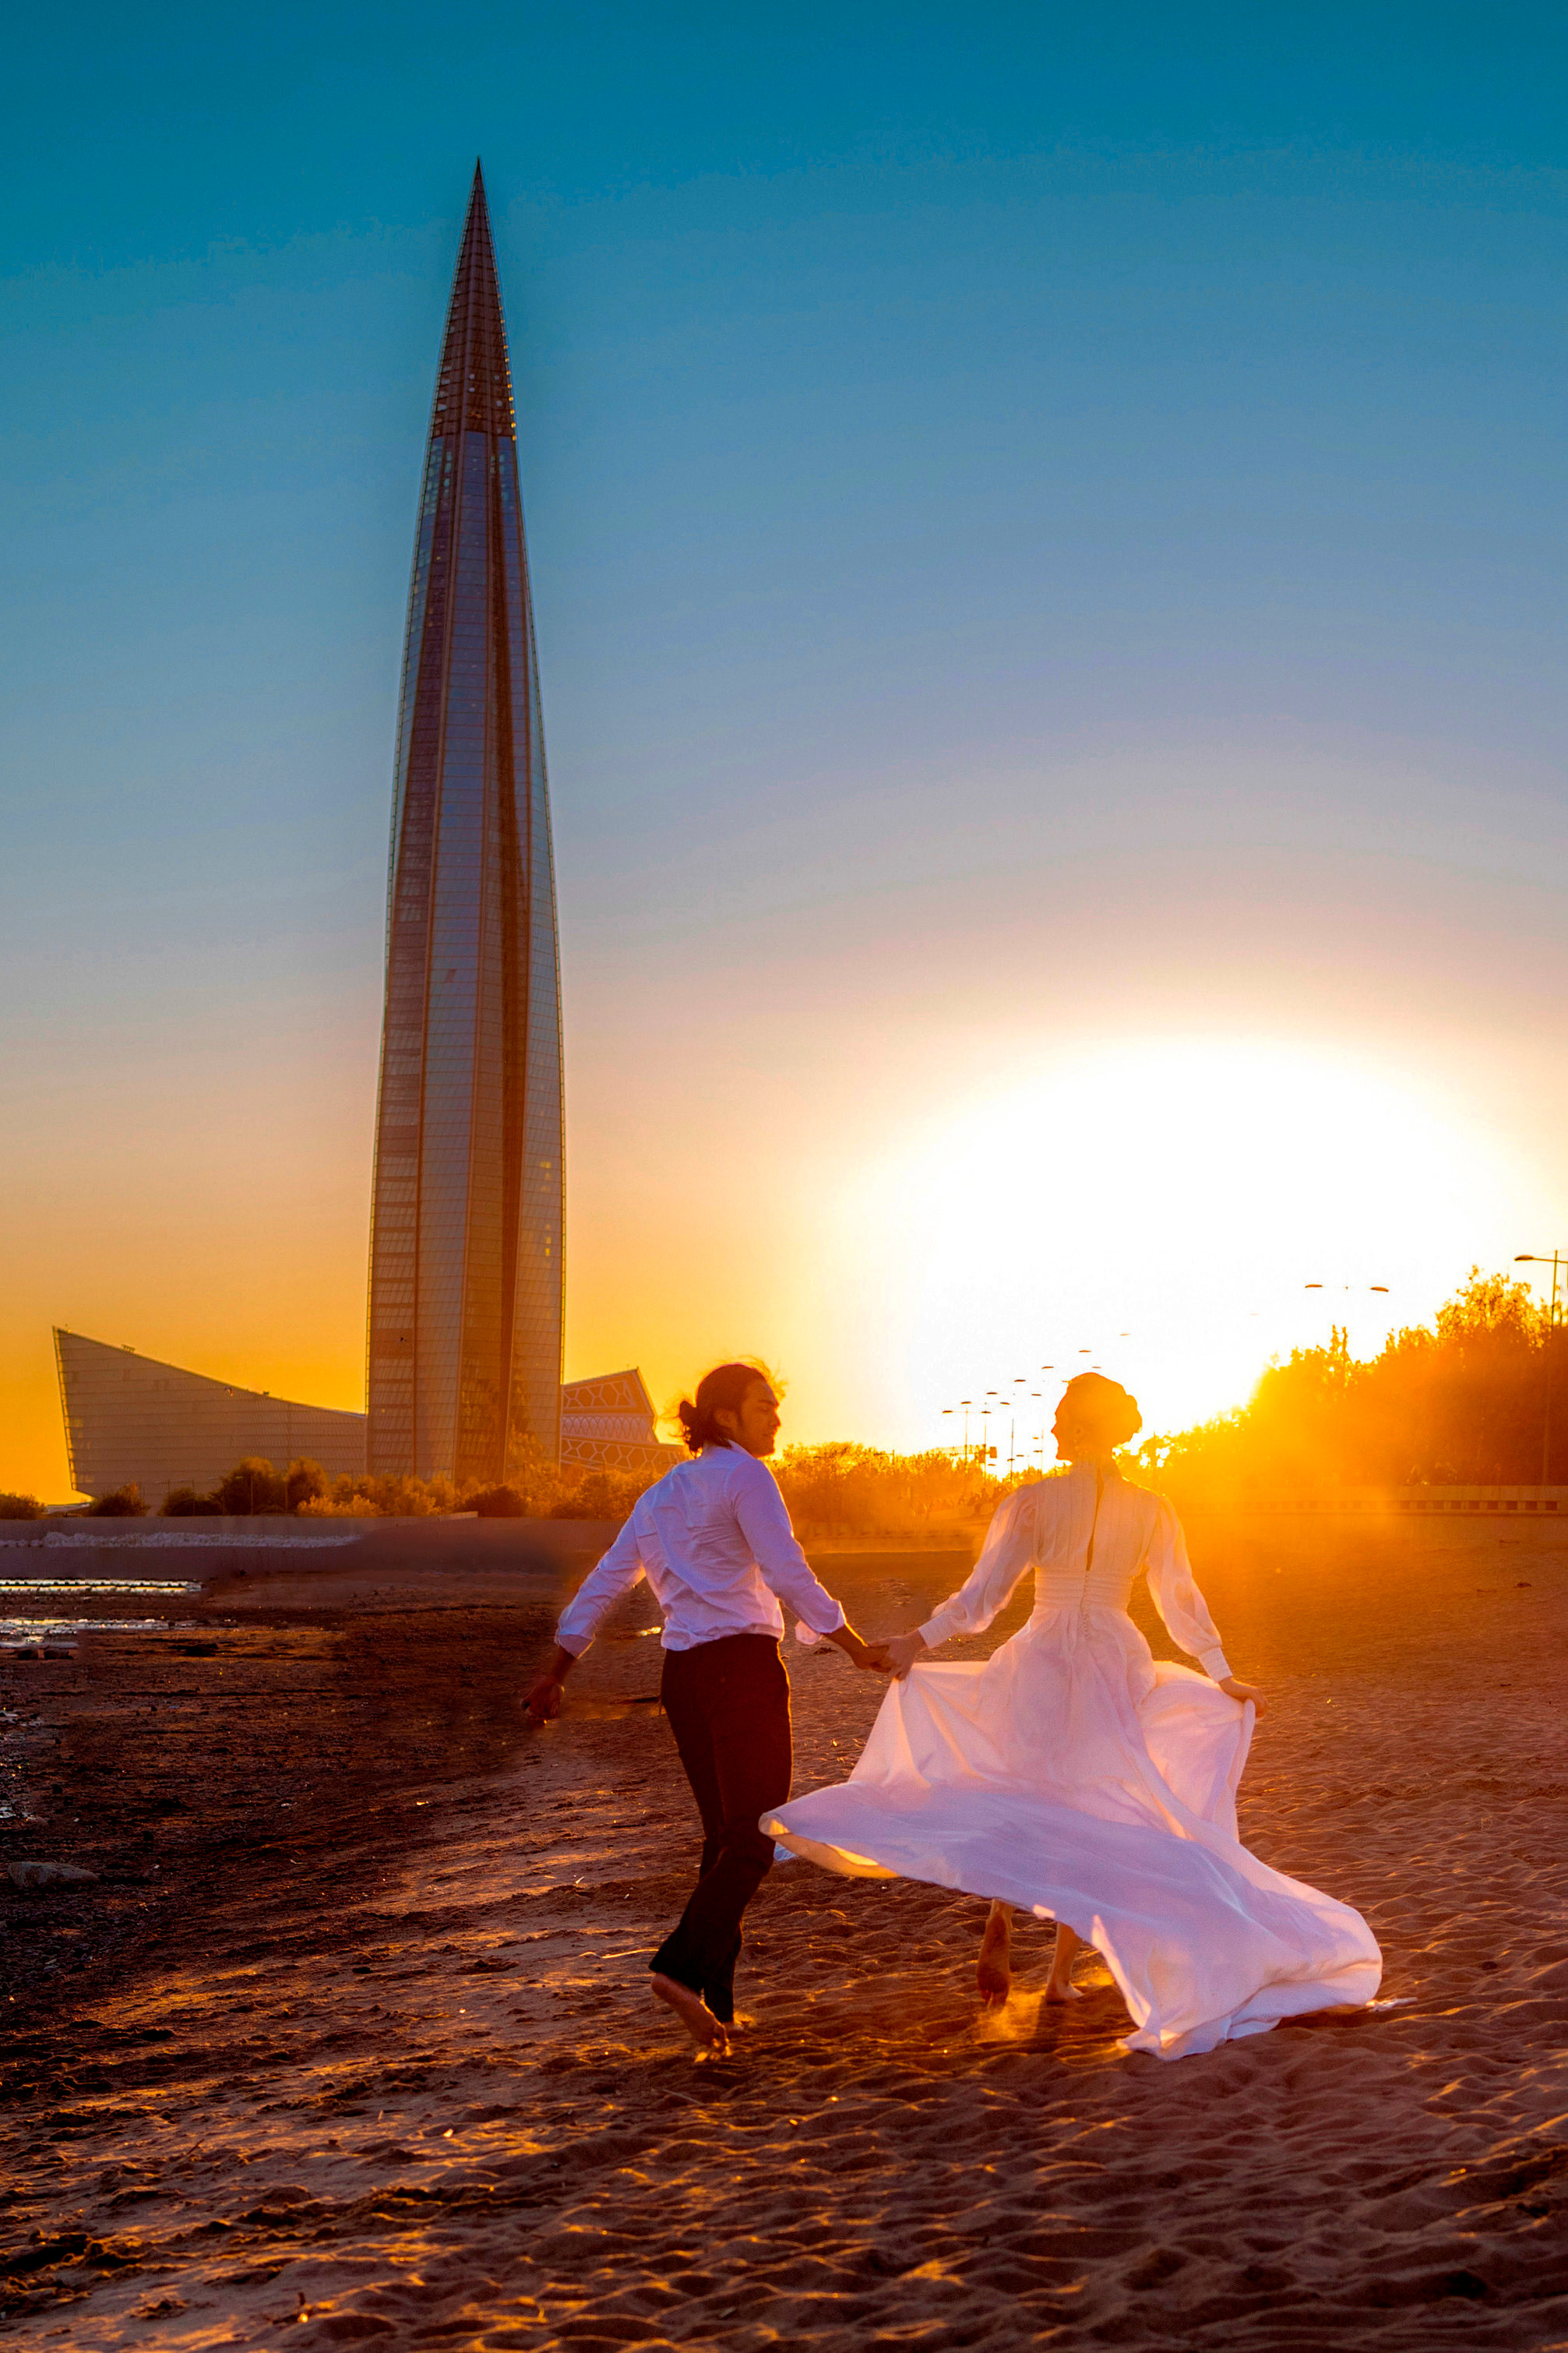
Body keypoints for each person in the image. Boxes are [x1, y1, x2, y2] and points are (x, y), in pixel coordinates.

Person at [765, 1372, 1382, 2058]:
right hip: (1114, 1657)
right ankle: (1058, 1974)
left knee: (1017, 1787)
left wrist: (914, 1643)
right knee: (1093, 1808)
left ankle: (1002, 1917)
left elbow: (982, 1599)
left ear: (1083, 1426)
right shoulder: (1150, 1508)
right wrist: (1219, 1673)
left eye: (1061, 1417)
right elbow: (1180, 1598)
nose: (1053, 1428)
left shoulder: (1032, 1503)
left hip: (1043, 1653)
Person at [525, 1360, 889, 2058]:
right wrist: (852, 1646)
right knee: (754, 1837)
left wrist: (555, 1672)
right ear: (726, 1417)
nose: (776, 1418)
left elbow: (605, 1583)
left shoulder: (659, 1494)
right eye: (764, 1405)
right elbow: (786, 1571)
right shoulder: (745, 1476)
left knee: (725, 1838)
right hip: (743, 1671)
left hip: (683, 1678)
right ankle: (680, 1969)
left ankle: (716, 2007)